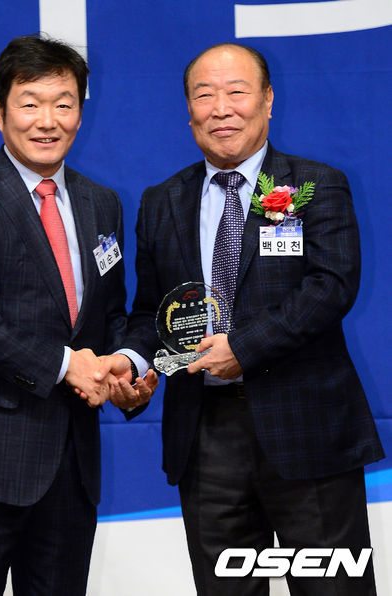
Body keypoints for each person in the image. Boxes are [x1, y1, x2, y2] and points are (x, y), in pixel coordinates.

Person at [104, 43, 384, 594]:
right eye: (204, 95)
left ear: (268, 100)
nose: (221, 108)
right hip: (205, 435)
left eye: (237, 92)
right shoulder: (161, 201)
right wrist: (133, 364)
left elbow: (331, 286)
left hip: (305, 426)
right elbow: (153, 313)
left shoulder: (316, 184)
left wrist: (244, 347)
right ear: (188, 110)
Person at [0, 34, 156, 596]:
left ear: (80, 111)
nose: (48, 120)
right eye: (30, 103)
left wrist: (126, 366)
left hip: (71, 468)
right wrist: (69, 365)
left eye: (63, 103)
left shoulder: (102, 202)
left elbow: (110, 314)